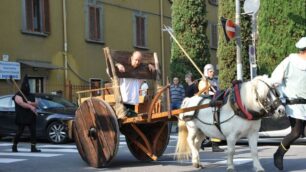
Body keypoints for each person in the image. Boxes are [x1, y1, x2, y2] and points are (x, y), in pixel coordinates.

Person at [270, 37, 306, 170]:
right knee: (296, 132)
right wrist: (280, 94)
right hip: (294, 104)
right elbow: (275, 79)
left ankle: (280, 153)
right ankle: (278, 154)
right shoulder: (290, 61)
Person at [115, 51, 155, 118]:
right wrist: (118, 65)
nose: (137, 62)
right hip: (123, 100)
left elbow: (144, 66)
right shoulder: (123, 67)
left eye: (139, 61)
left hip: (132, 101)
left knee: (130, 122)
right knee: (122, 121)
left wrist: (149, 65)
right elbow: (108, 70)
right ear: (131, 58)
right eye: (136, 60)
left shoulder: (140, 70)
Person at [198, 64, 225, 152]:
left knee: (216, 123)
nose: (212, 73)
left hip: (215, 104)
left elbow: (218, 91)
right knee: (213, 124)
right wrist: (210, 92)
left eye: (212, 71)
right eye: (210, 71)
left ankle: (213, 145)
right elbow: (203, 94)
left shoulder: (214, 81)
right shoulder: (203, 82)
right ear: (206, 72)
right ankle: (204, 144)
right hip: (207, 105)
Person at [12, 75, 41, 152]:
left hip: (31, 116)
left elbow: (37, 103)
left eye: (28, 86)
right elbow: (21, 103)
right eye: (25, 86)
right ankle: (14, 146)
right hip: (22, 116)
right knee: (20, 132)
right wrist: (30, 106)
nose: (26, 87)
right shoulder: (18, 95)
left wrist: (31, 103)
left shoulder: (31, 95)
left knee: (33, 132)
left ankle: (33, 147)